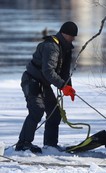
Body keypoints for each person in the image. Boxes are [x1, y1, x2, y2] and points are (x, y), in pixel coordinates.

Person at [15, 21, 78, 154]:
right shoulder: (51, 46)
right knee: (37, 110)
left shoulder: (66, 48)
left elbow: (65, 71)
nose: (73, 39)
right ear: (64, 33)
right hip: (31, 80)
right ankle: (23, 144)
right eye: (72, 36)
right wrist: (61, 85)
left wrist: (68, 87)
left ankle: (50, 145)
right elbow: (48, 71)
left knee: (54, 113)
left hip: (43, 83)